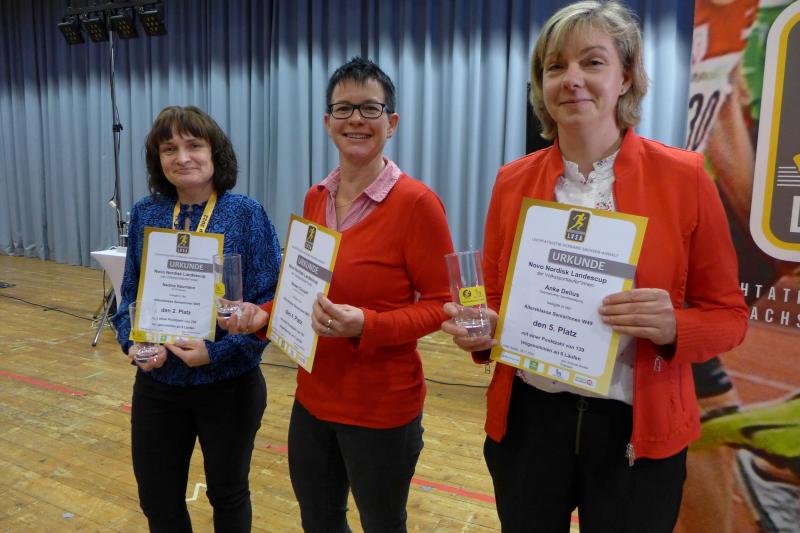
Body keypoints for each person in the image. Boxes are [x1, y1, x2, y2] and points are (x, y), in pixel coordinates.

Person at [441, 2, 749, 532]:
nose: (572, 79)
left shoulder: (685, 178)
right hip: (530, 424)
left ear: (625, 76)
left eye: (592, 62)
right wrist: (483, 331)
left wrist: (676, 326)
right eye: (555, 66)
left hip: (634, 430)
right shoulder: (512, 181)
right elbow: (493, 300)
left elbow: (730, 316)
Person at [220, 57, 454, 532]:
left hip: (381, 408)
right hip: (313, 399)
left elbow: (439, 305)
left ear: (391, 122)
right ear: (328, 123)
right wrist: (263, 315)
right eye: (343, 109)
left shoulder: (417, 204)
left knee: (382, 524)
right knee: (320, 521)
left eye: (370, 108)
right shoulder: (316, 197)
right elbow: (302, 290)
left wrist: (368, 325)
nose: (355, 120)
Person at [112, 105, 282, 532]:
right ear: (158, 159)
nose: (182, 157)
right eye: (169, 149)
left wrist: (216, 353)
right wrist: (133, 342)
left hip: (228, 386)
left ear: (214, 152)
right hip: (159, 382)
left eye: (194, 145)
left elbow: (270, 302)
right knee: (158, 500)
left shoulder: (246, 213)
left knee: (228, 494)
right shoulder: (147, 212)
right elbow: (129, 293)